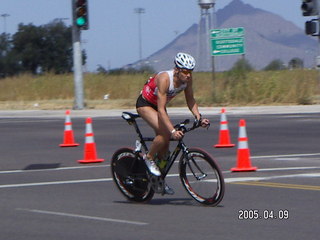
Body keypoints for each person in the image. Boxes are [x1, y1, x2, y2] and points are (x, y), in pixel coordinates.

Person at [135, 52, 210, 194]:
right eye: (185, 71)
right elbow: (161, 110)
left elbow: (190, 100)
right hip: (145, 104)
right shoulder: (164, 79)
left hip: (158, 107)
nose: (188, 75)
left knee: (165, 148)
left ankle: (158, 181)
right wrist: (172, 131)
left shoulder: (187, 80)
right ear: (177, 70)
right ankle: (148, 158)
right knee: (165, 134)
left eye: (191, 71)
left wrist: (199, 117)